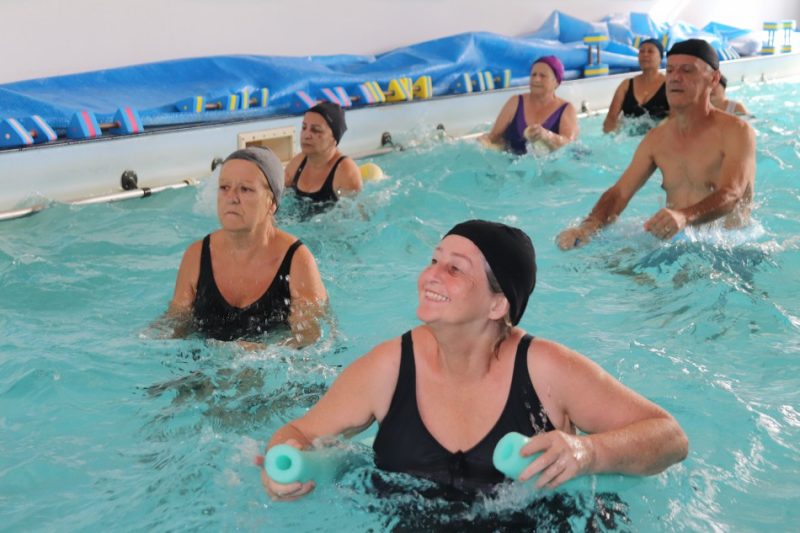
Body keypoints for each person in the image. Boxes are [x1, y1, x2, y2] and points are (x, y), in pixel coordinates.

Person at [260, 219, 688, 500]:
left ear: (498, 305)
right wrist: (281, 463)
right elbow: (299, 431)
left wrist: (585, 452)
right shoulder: (390, 367)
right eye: (434, 260)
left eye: (456, 269)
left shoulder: (545, 370)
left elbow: (669, 438)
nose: (431, 275)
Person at [557, 39, 756, 250]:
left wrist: (684, 217)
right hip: (680, 242)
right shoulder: (657, 138)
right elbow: (619, 192)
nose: (675, 78)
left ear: (714, 79)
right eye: (670, 70)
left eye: (687, 70)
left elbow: (732, 193)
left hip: (731, 246)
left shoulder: (737, 132)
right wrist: (588, 226)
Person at [168, 146, 328, 344]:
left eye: (245, 189)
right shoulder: (197, 256)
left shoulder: (297, 261)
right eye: (224, 187)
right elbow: (174, 324)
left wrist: (264, 353)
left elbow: (310, 341)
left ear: (272, 203)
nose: (232, 198)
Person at [479, 56, 579, 154]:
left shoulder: (566, 109)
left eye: (542, 76)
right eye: (533, 75)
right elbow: (494, 137)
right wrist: (484, 140)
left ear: (556, 82)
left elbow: (569, 145)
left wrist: (546, 136)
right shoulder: (515, 102)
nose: (536, 79)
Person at [284, 102, 362, 206]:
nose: (306, 135)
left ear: (334, 138)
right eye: (304, 128)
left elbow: (355, 217)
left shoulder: (345, 172)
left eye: (316, 130)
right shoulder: (298, 163)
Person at [603, 38, 669, 133]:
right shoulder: (626, 85)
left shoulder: (669, 85)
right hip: (628, 140)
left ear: (661, 58)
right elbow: (611, 118)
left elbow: (676, 118)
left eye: (650, 51)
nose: (645, 54)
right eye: (641, 51)